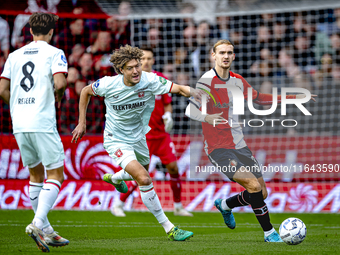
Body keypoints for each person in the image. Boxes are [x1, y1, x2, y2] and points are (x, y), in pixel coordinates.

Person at [185, 40, 316, 242]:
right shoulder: (206, 81)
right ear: (214, 56)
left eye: (229, 52)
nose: (226, 56)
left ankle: (225, 205)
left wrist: (294, 97)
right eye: (221, 53)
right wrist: (207, 117)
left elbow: (261, 98)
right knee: (253, 186)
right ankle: (270, 233)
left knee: (261, 193)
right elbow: (190, 110)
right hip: (218, 149)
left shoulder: (238, 80)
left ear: (234, 56)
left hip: (240, 146)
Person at [71, 45, 203, 241]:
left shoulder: (149, 80)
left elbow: (178, 89)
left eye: (137, 66)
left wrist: (197, 93)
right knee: (144, 178)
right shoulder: (108, 84)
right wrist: (82, 122)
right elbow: (84, 92)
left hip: (140, 137)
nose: (136, 71)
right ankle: (170, 228)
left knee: (143, 172)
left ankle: (115, 178)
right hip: (116, 139)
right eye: (130, 68)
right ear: (121, 70)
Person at [0, 13, 69, 252]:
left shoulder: (14, 55)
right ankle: (37, 223)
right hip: (42, 119)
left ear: (30, 31)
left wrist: (17, 107)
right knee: (56, 175)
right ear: (51, 32)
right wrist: (58, 96)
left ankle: (48, 231)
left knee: (35, 175)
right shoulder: (55, 53)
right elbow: (60, 83)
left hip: (19, 122)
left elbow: (2, 89)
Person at [111, 47, 193, 217]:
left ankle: (178, 206)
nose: (146, 61)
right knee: (142, 174)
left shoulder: (160, 79)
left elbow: (167, 102)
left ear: (153, 60)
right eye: (143, 59)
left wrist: (168, 114)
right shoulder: (129, 81)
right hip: (143, 137)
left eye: (149, 58)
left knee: (173, 168)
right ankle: (118, 204)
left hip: (161, 135)